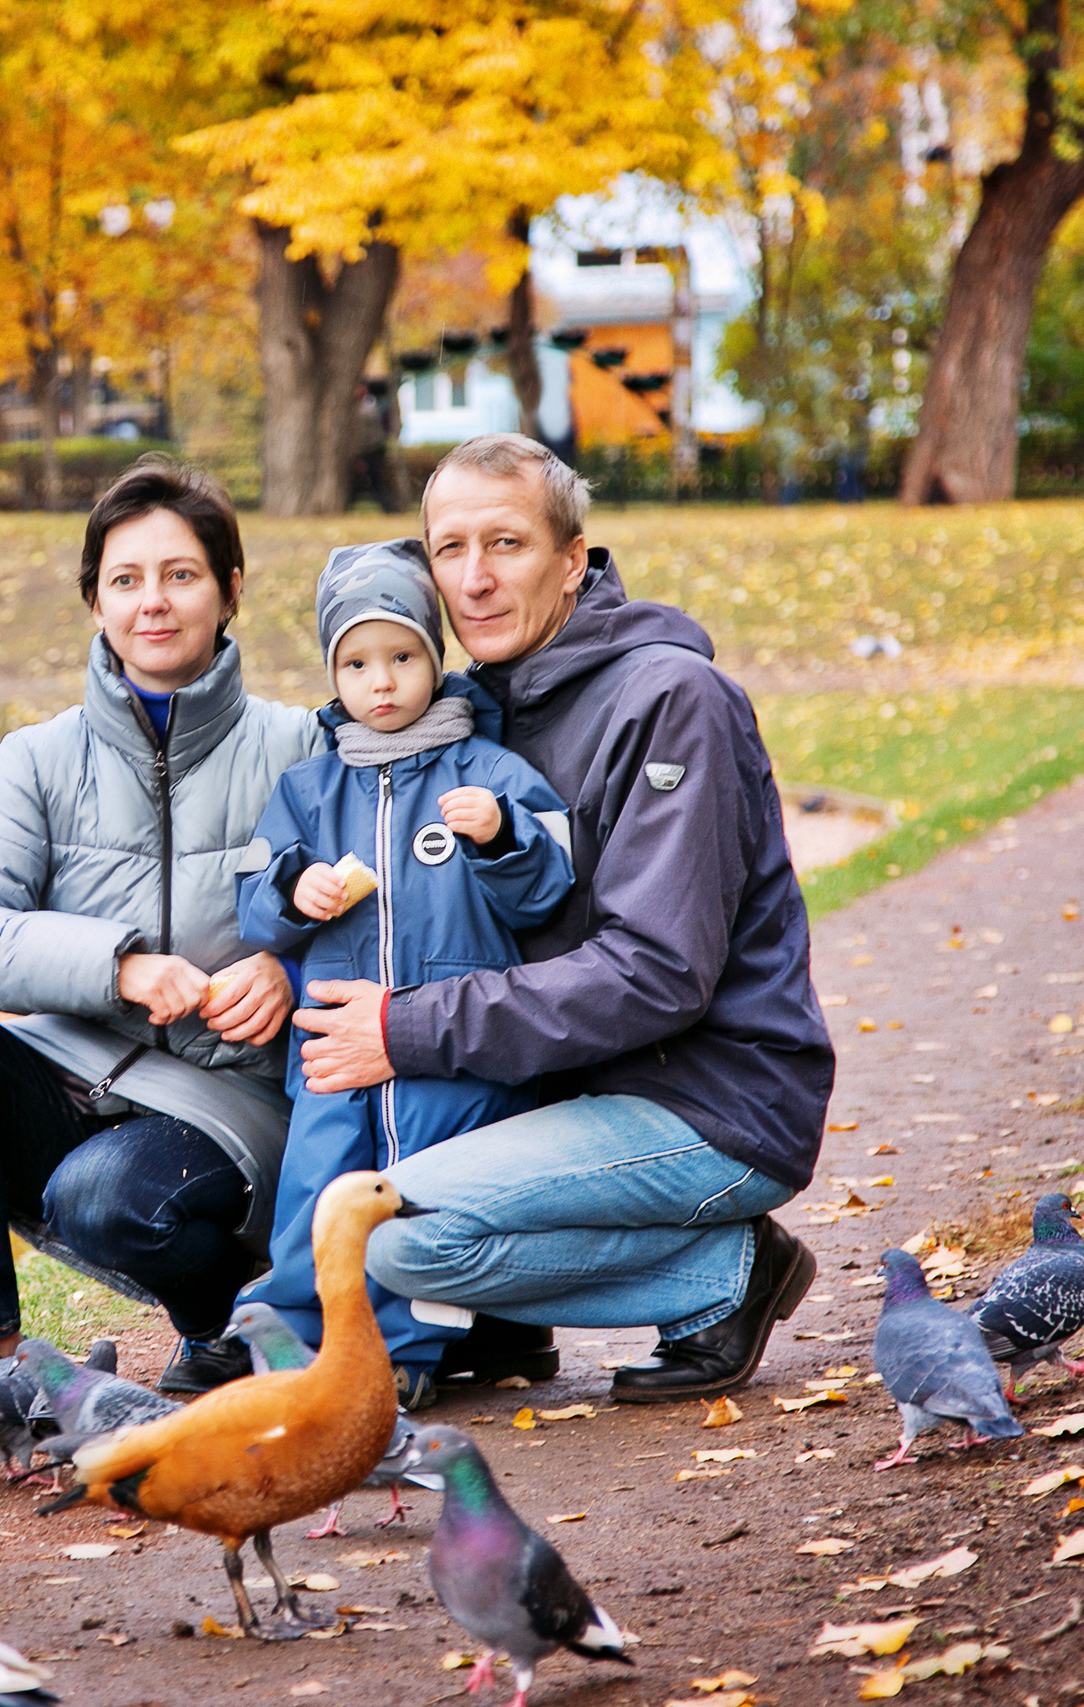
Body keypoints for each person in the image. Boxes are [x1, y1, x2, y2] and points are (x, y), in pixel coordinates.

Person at [291, 433, 835, 1404]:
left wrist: (403, 1028)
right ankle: (493, 1321)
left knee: (390, 1234)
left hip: (709, 1100)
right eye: (449, 549)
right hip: (566, 1090)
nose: (474, 578)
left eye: (505, 543)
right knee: (323, 1150)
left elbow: (657, 971)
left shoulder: (672, 700)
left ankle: (726, 1276)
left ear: (572, 559)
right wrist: (272, 948)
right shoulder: (470, 715)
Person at [0, 458, 324, 1394]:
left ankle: (220, 1317)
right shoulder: (39, 760)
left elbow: (388, 911)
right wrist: (115, 966)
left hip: (233, 1100)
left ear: (230, 589)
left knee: (102, 1193)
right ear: (96, 601)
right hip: (75, 1071)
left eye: (180, 574)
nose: (152, 601)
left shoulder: (301, 747)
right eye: (126, 579)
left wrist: (286, 968)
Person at [231, 539, 576, 1411]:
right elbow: (252, 900)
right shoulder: (309, 789)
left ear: (436, 655)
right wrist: (293, 891)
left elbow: (549, 892)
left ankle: (408, 1354)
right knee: (315, 1192)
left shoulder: (489, 771)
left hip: (447, 1047)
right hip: (332, 1045)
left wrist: (501, 836)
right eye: (356, 663)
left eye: (402, 657)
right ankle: (296, 1341)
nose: (380, 682)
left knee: (419, 1194)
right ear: (332, 672)